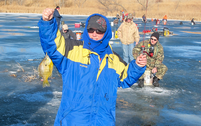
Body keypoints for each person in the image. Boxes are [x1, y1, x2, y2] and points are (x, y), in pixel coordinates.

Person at [38, 8, 147, 125]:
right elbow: (52, 45)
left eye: (99, 31)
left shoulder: (114, 59)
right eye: (91, 30)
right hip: (72, 121)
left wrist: (137, 66)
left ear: (106, 33)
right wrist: (48, 23)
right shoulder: (71, 50)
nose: (94, 34)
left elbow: (126, 79)